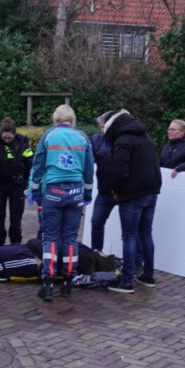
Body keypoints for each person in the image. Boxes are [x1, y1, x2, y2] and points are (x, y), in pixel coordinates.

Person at [28, 104, 94, 302]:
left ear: (55, 119)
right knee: (70, 238)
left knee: (50, 238)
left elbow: (38, 164)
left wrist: (34, 189)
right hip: (75, 192)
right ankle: (67, 281)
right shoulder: (82, 137)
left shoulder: (49, 135)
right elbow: (89, 167)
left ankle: (47, 283)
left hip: (53, 191)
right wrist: (87, 193)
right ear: (72, 119)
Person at [105, 109, 162, 294]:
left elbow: (120, 171)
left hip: (132, 195)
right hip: (151, 192)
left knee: (129, 236)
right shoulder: (146, 138)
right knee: (146, 233)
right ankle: (148, 275)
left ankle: (127, 280)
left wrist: (116, 190)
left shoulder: (123, 141)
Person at [0, 117, 33, 247]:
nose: (7, 140)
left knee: (16, 219)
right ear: (0, 135)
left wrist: (26, 184)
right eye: (4, 138)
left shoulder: (23, 144)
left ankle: (15, 244)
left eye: (9, 138)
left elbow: (30, 165)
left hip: (17, 186)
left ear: (14, 135)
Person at [90, 110, 120, 253]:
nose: (102, 130)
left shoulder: (124, 139)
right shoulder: (96, 139)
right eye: (100, 127)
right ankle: (97, 254)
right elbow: (88, 160)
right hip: (105, 191)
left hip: (124, 191)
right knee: (96, 222)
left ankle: (134, 262)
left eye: (104, 127)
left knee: (130, 228)